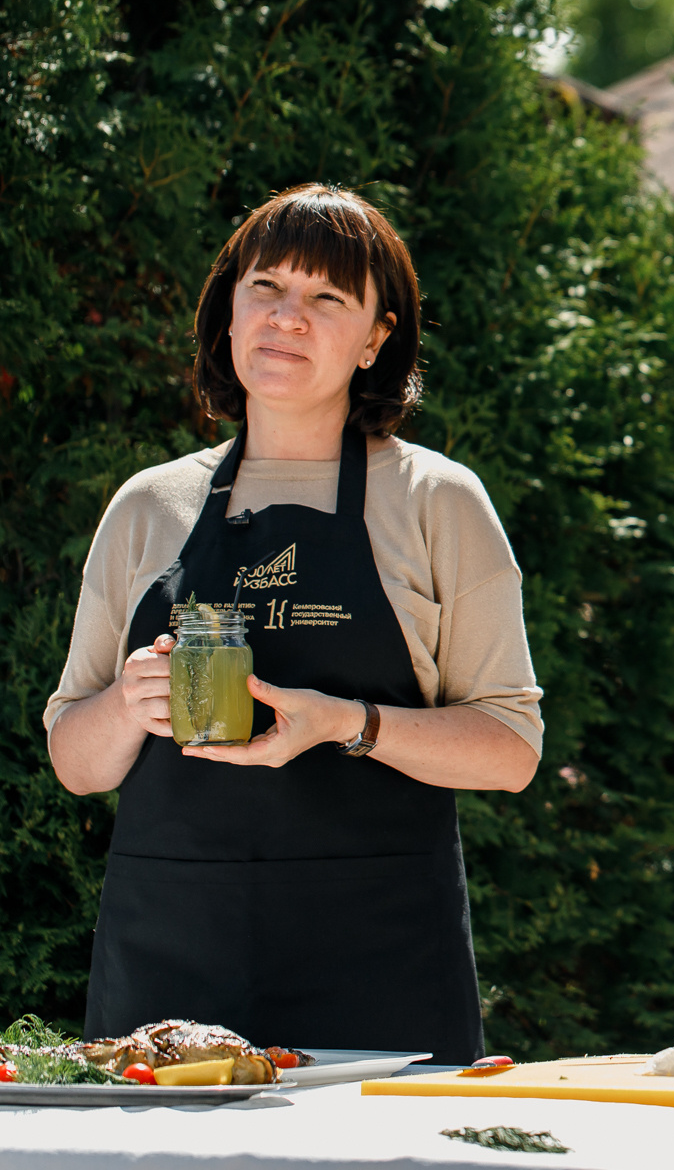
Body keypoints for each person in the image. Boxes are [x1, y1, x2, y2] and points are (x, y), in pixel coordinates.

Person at [46, 185, 542, 1066]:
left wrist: (345, 725)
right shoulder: (149, 506)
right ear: (228, 308)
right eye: (266, 287)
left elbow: (511, 748)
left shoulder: (436, 501)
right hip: (169, 969)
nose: (287, 319)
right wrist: (125, 704)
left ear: (377, 337)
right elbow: (77, 765)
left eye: (327, 299)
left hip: (378, 973)